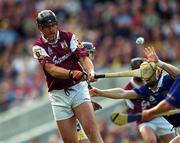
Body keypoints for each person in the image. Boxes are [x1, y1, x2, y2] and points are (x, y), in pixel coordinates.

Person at [32, 10, 104, 143]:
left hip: (78, 89)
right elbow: (51, 70)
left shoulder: (69, 37)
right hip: (58, 96)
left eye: (53, 25)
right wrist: (72, 73)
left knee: (93, 134)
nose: (52, 29)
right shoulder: (38, 47)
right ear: (40, 28)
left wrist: (91, 72)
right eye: (48, 27)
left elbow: (83, 58)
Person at [90, 47, 179, 143]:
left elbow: (178, 75)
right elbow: (123, 93)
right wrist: (101, 92)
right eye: (144, 74)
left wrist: (160, 63)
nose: (146, 78)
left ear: (157, 72)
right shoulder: (145, 90)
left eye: (149, 73)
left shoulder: (168, 80)